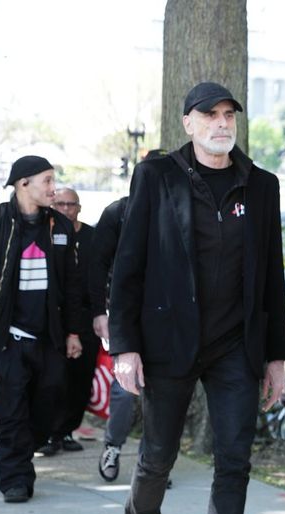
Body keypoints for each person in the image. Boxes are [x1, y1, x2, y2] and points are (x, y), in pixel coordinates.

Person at [109, 82, 285, 514]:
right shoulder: (158, 177)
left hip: (235, 346)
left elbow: (271, 278)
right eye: (208, 114)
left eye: (228, 113)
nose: (220, 122)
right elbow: (128, 264)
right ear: (187, 123)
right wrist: (125, 345)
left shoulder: (260, 186)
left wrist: (278, 357)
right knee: (158, 457)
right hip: (168, 343)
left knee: (234, 462)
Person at [0, 156, 84, 503]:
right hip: (6, 340)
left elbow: (72, 284)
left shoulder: (58, 226)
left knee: (49, 406)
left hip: (49, 339)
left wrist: (73, 332)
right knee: (9, 412)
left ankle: (27, 449)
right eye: (46, 181)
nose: (52, 188)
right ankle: (15, 480)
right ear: (23, 184)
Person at [90, 150, 168, 482]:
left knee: (164, 389)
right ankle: (113, 445)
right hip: (123, 313)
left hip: (167, 317)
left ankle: (154, 461)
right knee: (124, 389)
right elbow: (96, 266)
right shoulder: (118, 212)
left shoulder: (181, 212)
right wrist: (100, 312)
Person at [36, 188, 96, 455]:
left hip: (86, 315)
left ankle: (68, 429)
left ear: (79, 208)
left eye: (70, 204)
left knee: (81, 378)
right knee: (53, 378)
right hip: (55, 316)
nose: (65, 209)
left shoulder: (92, 237)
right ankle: (49, 432)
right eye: (59, 204)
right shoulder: (45, 234)